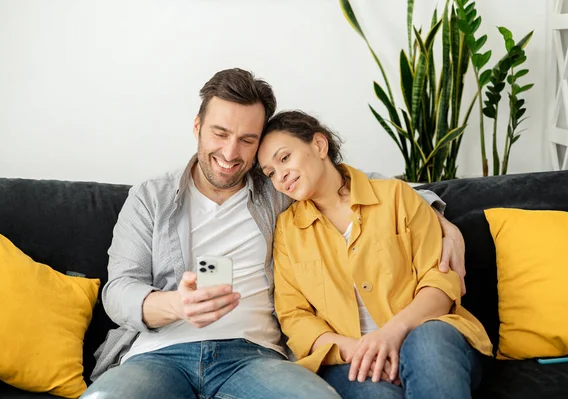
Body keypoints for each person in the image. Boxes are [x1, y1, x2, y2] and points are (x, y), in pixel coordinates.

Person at [81, 68, 468, 399]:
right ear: (197, 127)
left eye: (247, 140)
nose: (231, 152)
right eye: (220, 133)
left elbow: (357, 184)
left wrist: (444, 221)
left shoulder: (277, 188)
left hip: (253, 357)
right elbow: (118, 291)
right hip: (157, 354)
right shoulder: (151, 197)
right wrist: (175, 306)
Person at [256, 110, 493, 399]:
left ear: (319, 146)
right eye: (270, 172)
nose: (280, 176)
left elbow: (440, 279)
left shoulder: (395, 196)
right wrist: (359, 349)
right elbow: (294, 315)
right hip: (349, 359)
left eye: (284, 158)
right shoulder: (287, 231)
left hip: (433, 337)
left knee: (427, 347)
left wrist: (392, 334)